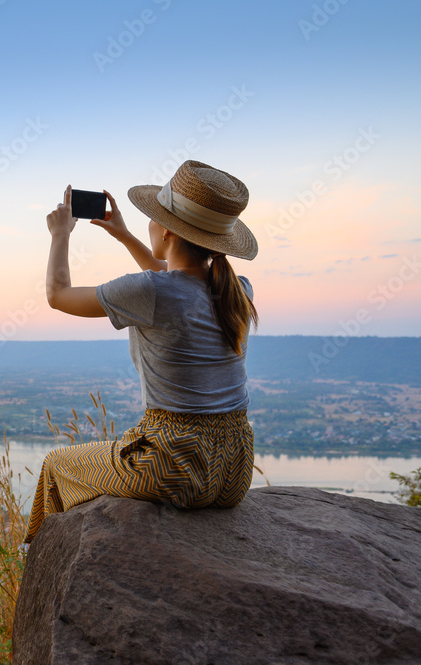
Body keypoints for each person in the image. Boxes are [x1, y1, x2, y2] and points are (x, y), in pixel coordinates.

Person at [24, 160, 259, 544]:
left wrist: (60, 234)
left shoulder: (151, 291)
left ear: (166, 229)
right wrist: (124, 236)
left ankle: (44, 570)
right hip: (234, 469)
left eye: (152, 217)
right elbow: (175, 279)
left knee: (55, 466)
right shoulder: (238, 288)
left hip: (173, 463)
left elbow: (58, 295)